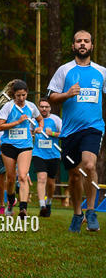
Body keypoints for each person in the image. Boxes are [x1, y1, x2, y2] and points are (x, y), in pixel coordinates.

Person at [47, 30, 106, 233]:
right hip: (70, 131)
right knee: (73, 175)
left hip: (94, 127)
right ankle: (77, 214)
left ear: (91, 46)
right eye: (78, 41)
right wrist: (67, 93)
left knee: (89, 165)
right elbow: (51, 97)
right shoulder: (64, 70)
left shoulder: (101, 72)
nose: (82, 44)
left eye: (86, 41)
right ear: (73, 46)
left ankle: (90, 211)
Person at [0, 80, 42, 219]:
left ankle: (23, 209)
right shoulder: (8, 107)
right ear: (13, 95)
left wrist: (39, 127)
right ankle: (11, 202)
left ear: (27, 93)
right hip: (8, 145)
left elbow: (40, 119)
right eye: (18, 96)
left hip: (25, 145)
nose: (21, 98)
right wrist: (18, 122)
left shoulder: (32, 106)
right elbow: (0, 127)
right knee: (10, 178)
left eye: (23, 95)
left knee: (22, 176)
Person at [31, 97, 62, 217]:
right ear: (38, 107)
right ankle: (42, 205)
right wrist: (34, 133)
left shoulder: (56, 120)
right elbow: (28, 134)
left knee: (50, 183)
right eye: (42, 106)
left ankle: (48, 202)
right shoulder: (34, 120)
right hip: (38, 154)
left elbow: (65, 134)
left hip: (53, 155)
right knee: (41, 178)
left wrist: (52, 133)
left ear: (50, 108)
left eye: (46, 107)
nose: (44, 109)